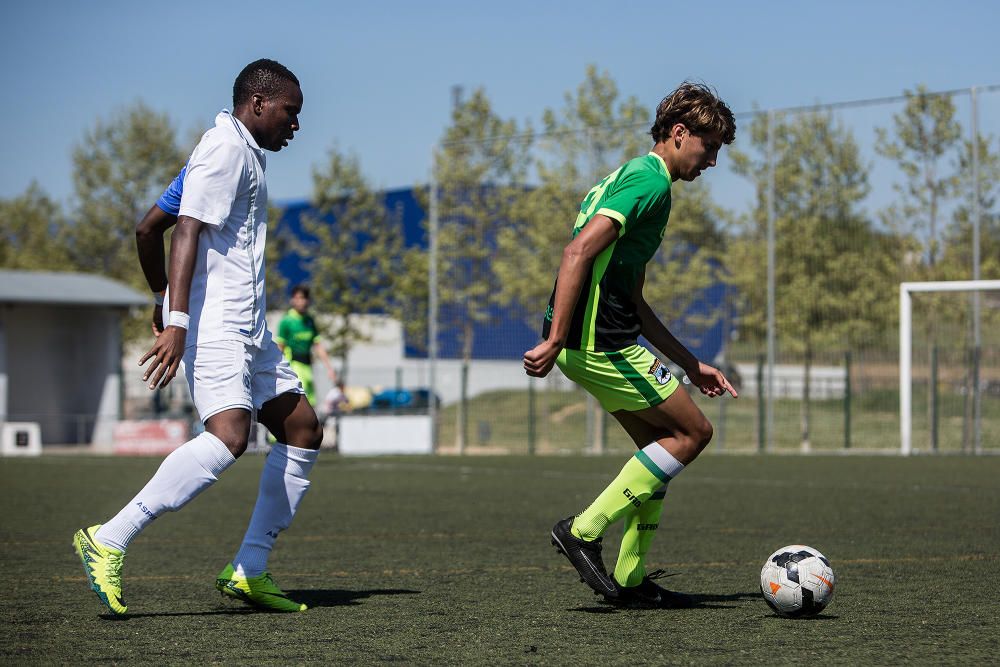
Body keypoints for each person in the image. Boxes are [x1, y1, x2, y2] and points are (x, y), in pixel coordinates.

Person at [73, 59, 321, 615]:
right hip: (215, 329)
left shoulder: (235, 150)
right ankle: (109, 538)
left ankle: (248, 570)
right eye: (290, 112)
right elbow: (185, 229)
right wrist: (178, 320)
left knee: (302, 428)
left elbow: (147, 228)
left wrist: (161, 299)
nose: (296, 125)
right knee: (231, 435)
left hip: (249, 330)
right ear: (258, 104)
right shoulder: (225, 149)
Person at [523, 82, 738, 608]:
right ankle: (583, 530)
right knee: (694, 433)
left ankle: (632, 579)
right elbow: (576, 253)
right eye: (708, 147)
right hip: (601, 343)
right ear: (679, 133)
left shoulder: (628, 179)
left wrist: (690, 364)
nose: (712, 161)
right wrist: (555, 338)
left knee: (660, 447)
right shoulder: (650, 184)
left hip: (593, 339)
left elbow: (632, 297)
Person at [276, 284, 337, 406]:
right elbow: (280, 346)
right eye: (298, 298)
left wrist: (329, 368)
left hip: (308, 366)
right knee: (300, 401)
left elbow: (318, 345)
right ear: (292, 300)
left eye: (304, 298)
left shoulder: (309, 320)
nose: (301, 301)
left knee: (311, 402)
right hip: (293, 366)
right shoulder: (287, 321)